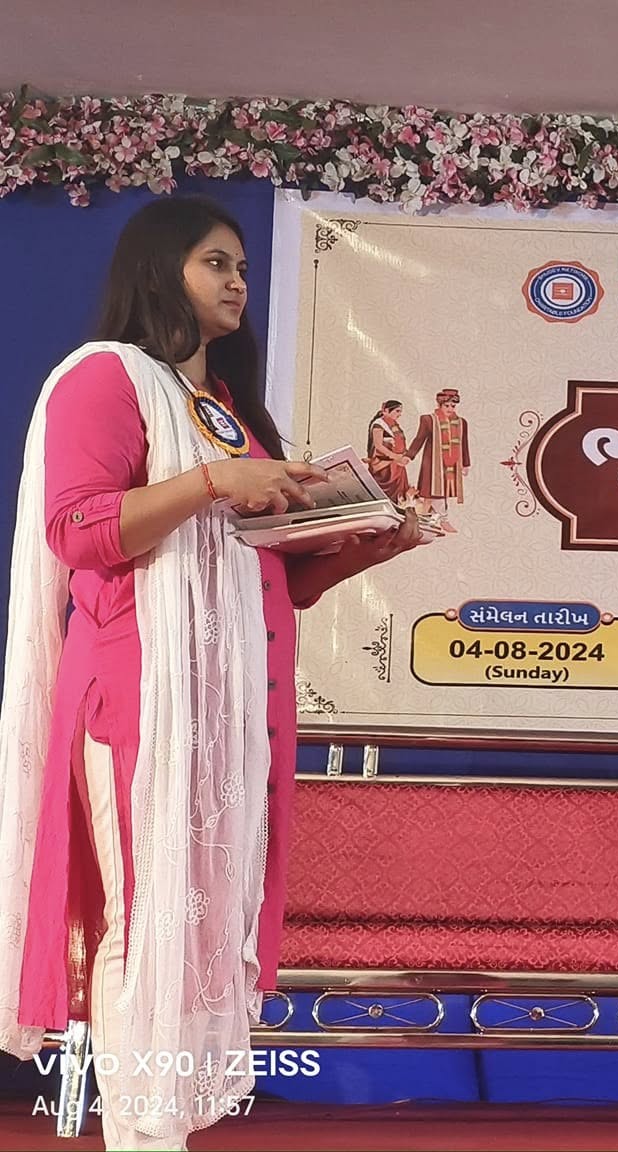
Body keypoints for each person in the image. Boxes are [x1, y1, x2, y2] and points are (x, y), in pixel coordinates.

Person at [0, 196, 426, 1149]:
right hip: (138, 699)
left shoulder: (228, 410)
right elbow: (77, 529)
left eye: (241, 266)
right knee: (147, 918)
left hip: (229, 710)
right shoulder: (105, 377)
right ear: (162, 269)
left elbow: (273, 579)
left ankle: (165, 1130)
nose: (238, 282)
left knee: (201, 926)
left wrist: (370, 543)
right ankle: (143, 1137)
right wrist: (209, 482)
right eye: (216, 263)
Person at [409, 387, 468, 530]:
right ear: (439, 405)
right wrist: (409, 456)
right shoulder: (429, 420)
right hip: (432, 463)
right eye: (446, 406)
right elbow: (419, 439)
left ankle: (427, 521)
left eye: (453, 406)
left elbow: (464, 444)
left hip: (451, 464)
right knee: (431, 492)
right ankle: (441, 519)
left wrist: (465, 464)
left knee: (440, 493)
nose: (450, 409)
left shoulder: (461, 422)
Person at [367, 399, 411, 502]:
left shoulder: (394, 424)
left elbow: (400, 441)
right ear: (386, 411)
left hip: (398, 465)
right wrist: (395, 457)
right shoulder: (378, 425)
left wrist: (405, 455)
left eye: (400, 411)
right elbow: (378, 445)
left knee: (400, 496)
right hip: (385, 466)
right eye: (397, 411)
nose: (400, 414)